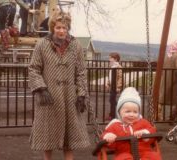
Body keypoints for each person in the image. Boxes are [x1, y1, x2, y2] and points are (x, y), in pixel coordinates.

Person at [28, 11, 90, 160]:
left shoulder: (75, 46)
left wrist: (81, 94)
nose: (62, 31)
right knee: (47, 139)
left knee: (69, 141)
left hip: (70, 98)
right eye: (58, 27)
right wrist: (41, 89)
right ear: (52, 28)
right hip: (48, 98)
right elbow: (34, 68)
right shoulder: (42, 45)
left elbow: (81, 72)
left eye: (65, 27)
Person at [102, 87, 162, 160]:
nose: (131, 114)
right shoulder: (115, 125)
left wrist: (145, 133)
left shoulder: (143, 122)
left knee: (154, 156)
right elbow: (106, 138)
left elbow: (152, 132)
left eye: (135, 112)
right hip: (124, 153)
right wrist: (109, 137)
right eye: (128, 111)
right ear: (119, 112)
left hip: (144, 151)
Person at [158, 40, 177, 122]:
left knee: (161, 99)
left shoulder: (167, 55)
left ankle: (158, 114)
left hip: (165, 78)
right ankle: (171, 117)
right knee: (175, 99)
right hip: (174, 80)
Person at [106, 52, 123, 120]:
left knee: (112, 100)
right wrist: (108, 83)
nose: (109, 59)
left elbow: (120, 78)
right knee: (112, 100)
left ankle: (113, 115)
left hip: (115, 86)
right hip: (112, 85)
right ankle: (113, 113)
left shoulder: (118, 67)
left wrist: (118, 87)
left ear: (115, 59)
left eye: (111, 58)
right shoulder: (112, 66)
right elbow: (110, 76)